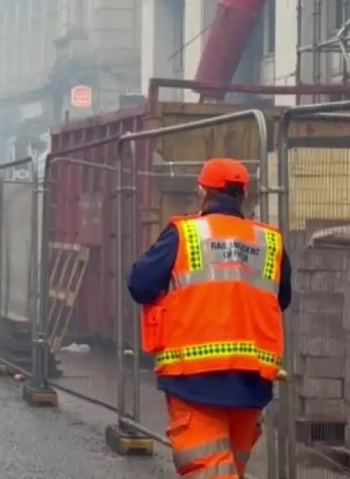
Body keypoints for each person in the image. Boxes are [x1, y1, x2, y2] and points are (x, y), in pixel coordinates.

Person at [128, 158, 292, 479]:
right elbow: (281, 297)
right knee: (229, 468)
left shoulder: (186, 234)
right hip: (251, 383)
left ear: (203, 191)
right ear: (242, 195)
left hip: (195, 379)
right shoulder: (269, 242)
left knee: (211, 471)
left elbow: (140, 285)